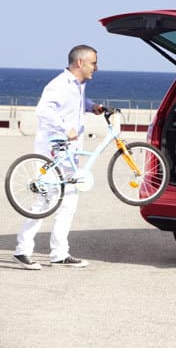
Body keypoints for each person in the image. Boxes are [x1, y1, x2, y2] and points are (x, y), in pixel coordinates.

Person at [13, 45, 104, 270]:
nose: (96, 67)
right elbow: (44, 110)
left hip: (70, 151)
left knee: (69, 200)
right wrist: (65, 128)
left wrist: (92, 106)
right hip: (52, 149)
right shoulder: (59, 84)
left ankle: (59, 253)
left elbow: (74, 104)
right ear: (80, 63)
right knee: (45, 199)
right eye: (93, 63)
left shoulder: (78, 86)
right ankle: (23, 250)